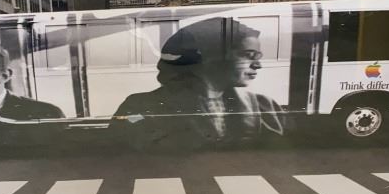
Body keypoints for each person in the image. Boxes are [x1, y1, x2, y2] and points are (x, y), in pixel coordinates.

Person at [109, 17, 290, 150]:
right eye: (248, 55)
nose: (258, 65)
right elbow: (123, 139)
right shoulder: (139, 107)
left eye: (258, 57)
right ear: (212, 57)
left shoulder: (265, 107)